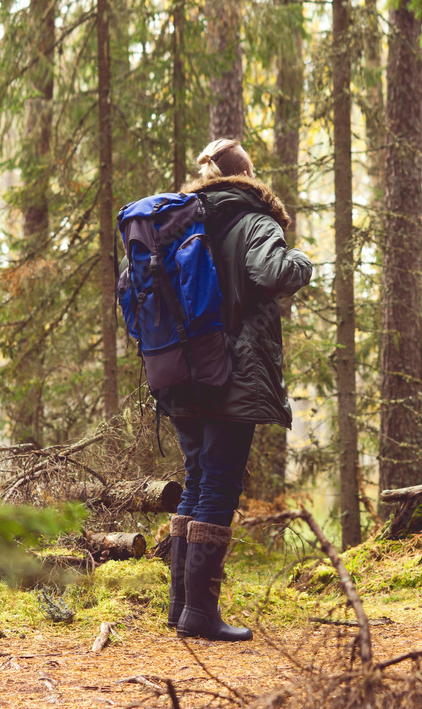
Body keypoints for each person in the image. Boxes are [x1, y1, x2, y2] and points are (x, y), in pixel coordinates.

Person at [162, 139, 312, 641]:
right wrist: (303, 263)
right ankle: (200, 615)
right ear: (248, 174)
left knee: (198, 478)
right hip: (232, 371)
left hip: (182, 369)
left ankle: (182, 608)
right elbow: (273, 271)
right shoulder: (254, 218)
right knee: (219, 484)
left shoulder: (183, 219)